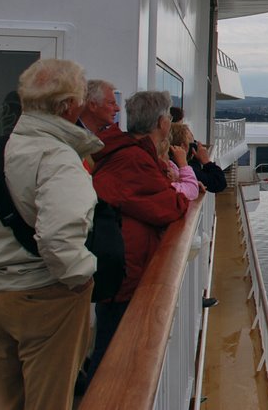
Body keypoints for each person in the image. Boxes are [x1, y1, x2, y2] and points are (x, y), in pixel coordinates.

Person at [0, 59, 102, 410]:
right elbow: (59, 240)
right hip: (44, 298)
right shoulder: (57, 158)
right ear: (69, 106)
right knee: (48, 400)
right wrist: (82, 275)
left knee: (3, 397)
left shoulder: (2, 149)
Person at [87, 91, 189, 379]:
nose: (169, 121)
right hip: (124, 270)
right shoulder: (134, 159)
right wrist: (177, 192)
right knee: (112, 354)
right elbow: (169, 205)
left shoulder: (129, 152)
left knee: (112, 346)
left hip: (123, 265)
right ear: (161, 123)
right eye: (168, 117)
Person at [167, 123, 202, 201]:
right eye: (190, 144)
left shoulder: (170, 166)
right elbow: (192, 191)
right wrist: (183, 164)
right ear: (183, 146)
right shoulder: (171, 167)